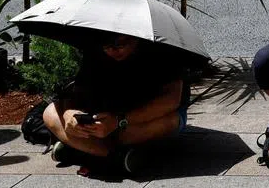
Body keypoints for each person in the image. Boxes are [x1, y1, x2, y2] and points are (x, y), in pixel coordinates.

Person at [42, 33, 188, 176]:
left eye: (120, 45)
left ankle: (84, 151)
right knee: (50, 112)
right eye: (107, 46)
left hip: (143, 117)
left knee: (168, 121)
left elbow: (171, 100)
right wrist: (70, 115)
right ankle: (113, 156)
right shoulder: (96, 50)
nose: (112, 50)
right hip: (107, 117)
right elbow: (76, 93)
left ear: (136, 38)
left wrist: (120, 121)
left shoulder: (163, 50)